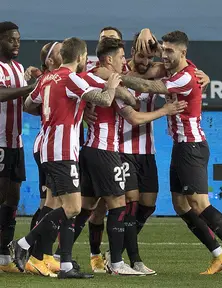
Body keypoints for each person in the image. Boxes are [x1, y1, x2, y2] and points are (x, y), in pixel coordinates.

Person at [112, 30, 222, 276]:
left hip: (191, 147)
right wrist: (150, 39)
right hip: (181, 147)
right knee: (181, 205)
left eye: (169, 51)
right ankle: (218, 255)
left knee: (199, 203)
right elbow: (154, 55)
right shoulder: (182, 69)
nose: (164, 55)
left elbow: (148, 85)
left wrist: (120, 78)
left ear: (183, 53)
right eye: (163, 50)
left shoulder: (185, 78)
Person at [11, 37, 122, 279]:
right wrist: (111, 85)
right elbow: (104, 100)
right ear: (81, 57)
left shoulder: (47, 78)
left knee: (54, 204)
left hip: (46, 147)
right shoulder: (72, 79)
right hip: (62, 151)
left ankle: (64, 264)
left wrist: (56, 109)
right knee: (73, 207)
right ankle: (24, 244)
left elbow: (29, 104)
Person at [23, 41, 64, 276]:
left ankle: (45, 255)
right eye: (59, 52)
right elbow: (29, 104)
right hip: (51, 148)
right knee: (48, 203)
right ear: (49, 60)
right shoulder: (52, 80)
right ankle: (34, 254)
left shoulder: (59, 77)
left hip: (61, 148)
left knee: (55, 203)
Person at [0, 21, 36, 273]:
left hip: (16, 142)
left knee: (13, 197)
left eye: (19, 39)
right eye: (11, 39)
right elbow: (2, 93)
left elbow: (21, 98)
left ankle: (3, 255)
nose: (16, 43)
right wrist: (31, 87)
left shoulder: (18, 67)